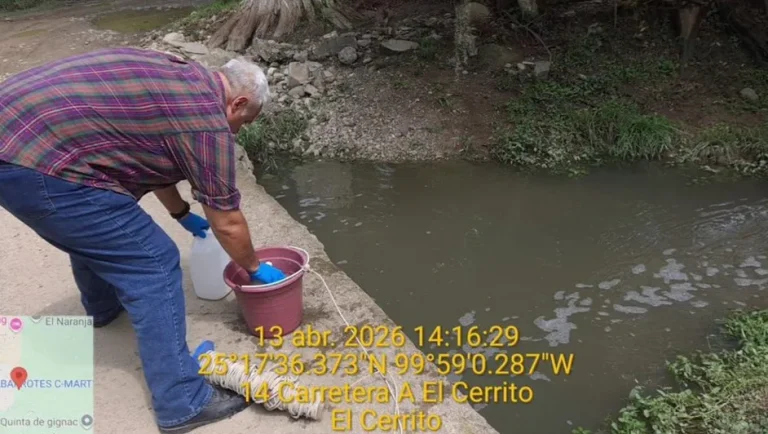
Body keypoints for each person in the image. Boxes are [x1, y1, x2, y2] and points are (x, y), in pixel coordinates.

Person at [0, 47, 287, 433]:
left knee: (101, 230)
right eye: (245, 120)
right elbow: (229, 222)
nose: (240, 129)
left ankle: (103, 309)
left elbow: (154, 156)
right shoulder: (207, 123)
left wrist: (182, 214)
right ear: (237, 102)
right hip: (33, 158)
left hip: (17, 131)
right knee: (152, 263)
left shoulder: (183, 76)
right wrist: (254, 269)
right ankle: (182, 401)